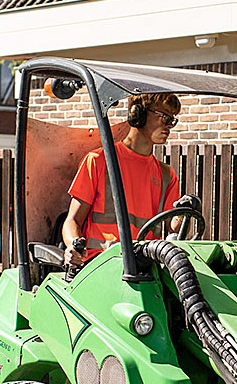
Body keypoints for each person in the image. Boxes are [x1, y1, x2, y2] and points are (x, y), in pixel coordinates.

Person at [62, 93, 184, 266]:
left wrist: (183, 216)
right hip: (100, 265)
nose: (169, 126)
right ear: (137, 114)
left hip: (145, 267)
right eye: (164, 117)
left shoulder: (167, 175)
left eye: (172, 120)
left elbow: (175, 226)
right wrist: (73, 246)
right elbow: (72, 220)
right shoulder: (98, 161)